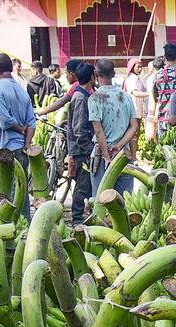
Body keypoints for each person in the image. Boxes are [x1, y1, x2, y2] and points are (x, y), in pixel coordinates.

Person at [0, 53, 36, 220]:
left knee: (9, 194)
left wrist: (20, 128)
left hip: (4, 151)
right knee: (22, 193)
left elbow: (5, 120)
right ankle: (26, 226)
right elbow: (32, 122)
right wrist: (26, 143)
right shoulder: (22, 91)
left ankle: (11, 232)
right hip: (21, 149)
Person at [88, 58, 139, 196]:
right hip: (124, 155)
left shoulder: (95, 98)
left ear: (95, 74)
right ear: (114, 73)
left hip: (102, 155)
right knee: (124, 201)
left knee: (101, 200)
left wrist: (106, 156)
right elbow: (134, 127)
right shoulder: (125, 96)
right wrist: (119, 146)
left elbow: (98, 131)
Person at [66, 60, 96, 224]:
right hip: (81, 150)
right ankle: (77, 218)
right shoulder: (79, 98)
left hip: (83, 148)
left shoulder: (85, 95)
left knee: (87, 184)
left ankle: (85, 216)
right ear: (92, 77)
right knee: (83, 184)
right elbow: (79, 129)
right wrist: (87, 150)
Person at [153, 43, 176, 133]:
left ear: (165, 57)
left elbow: (155, 96)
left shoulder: (158, 75)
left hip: (163, 119)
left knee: (163, 146)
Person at [122, 58, 149, 147]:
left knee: (137, 132)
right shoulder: (131, 79)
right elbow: (135, 93)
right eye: (138, 67)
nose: (140, 69)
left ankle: (134, 151)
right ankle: (132, 154)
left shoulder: (139, 78)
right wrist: (149, 94)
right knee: (133, 132)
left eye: (141, 67)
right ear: (133, 67)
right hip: (133, 109)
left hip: (139, 109)